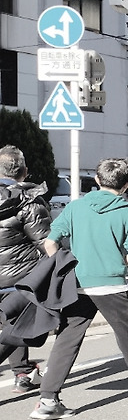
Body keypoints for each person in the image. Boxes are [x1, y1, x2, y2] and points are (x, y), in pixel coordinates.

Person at [29, 158, 128, 420]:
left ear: (96, 180)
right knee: (126, 334)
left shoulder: (76, 207)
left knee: (67, 338)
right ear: (127, 184)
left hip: (77, 282)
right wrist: (115, 260)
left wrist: (63, 266)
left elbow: (50, 243)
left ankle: (47, 400)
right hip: (111, 284)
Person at [0, 146, 51, 390]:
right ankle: (22, 374)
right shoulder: (28, 200)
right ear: (25, 171)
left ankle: (22, 372)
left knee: (13, 324)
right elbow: (45, 242)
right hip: (20, 277)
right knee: (18, 325)